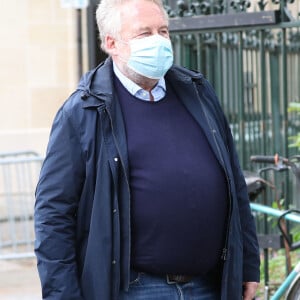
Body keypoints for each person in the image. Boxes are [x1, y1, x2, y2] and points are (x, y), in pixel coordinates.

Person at [34, 0, 260, 299]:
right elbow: (54, 213)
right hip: (135, 289)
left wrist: (247, 265)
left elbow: (233, 184)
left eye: (163, 31)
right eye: (145, 33)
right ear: (112, 43)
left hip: (209, 285)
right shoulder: (84, 111)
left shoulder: (198, 92)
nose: (159, 40)